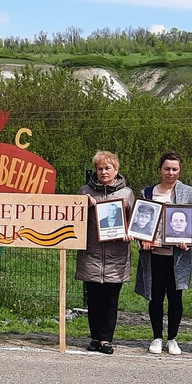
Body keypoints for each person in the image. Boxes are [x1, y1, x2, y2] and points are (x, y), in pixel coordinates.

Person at [135, 152, 192, 356]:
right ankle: (156, 337)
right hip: (153, 254)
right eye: (167, 168)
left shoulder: (189, 193)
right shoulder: (146, 192)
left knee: (175, 297)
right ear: (160, 169)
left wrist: (187, 239)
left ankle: (172, 338)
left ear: (180, 170)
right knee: (155, 296)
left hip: (177, 256)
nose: (170, 173)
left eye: (175, 169)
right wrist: (141, 239)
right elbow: (138, 223)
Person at [77, 150, 135, 355]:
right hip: (91, 254)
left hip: (116, 256)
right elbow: (75, 219)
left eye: (108, 168)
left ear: (116, 170)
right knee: (93, 299)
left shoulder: (126, 193)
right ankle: (94, 338)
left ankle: (106, 339)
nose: (103, 172)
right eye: (100, 168)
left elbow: (134, 221)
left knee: (110, 300)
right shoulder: (85, 191)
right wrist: (85, 204)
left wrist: (129, 232)